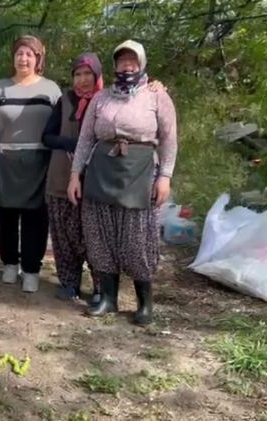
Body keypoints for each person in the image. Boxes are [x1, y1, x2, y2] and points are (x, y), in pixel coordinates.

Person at [68, 40, 177, 325]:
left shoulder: (156, 96)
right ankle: (108, 298)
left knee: (137, 236)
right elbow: (85, 140)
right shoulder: (101, 98)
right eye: (122, 61)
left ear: (141, 64)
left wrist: (164, 176)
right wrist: (74, 175)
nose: (127, 65)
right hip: (101, 169)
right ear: (115, 65)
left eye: (132, 60)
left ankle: (144, 303)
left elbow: (168, 139)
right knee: (100, 233)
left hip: (140, 170)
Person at [0, 35, 62, 293]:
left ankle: (31, 268)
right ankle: (9, 263)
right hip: (5, 160)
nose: (23, 58)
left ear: (38, 58)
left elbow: (61, 125)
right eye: (19, 53)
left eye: (29, 54)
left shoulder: (51, 89)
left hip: (40, 162)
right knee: (5, 216)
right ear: (13, 57)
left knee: (36, 218)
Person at [42, 52, 104, 303]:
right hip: (60, 177)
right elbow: (46, 137)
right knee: (64, 235)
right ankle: (69, 283)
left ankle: (101, 287)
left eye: (87, 74)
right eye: (77, 75)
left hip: (97, 181)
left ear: (97, 75)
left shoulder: (107, 101)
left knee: (94, 236)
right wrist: (75, 144)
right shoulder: (65, 101)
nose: (82, 80)